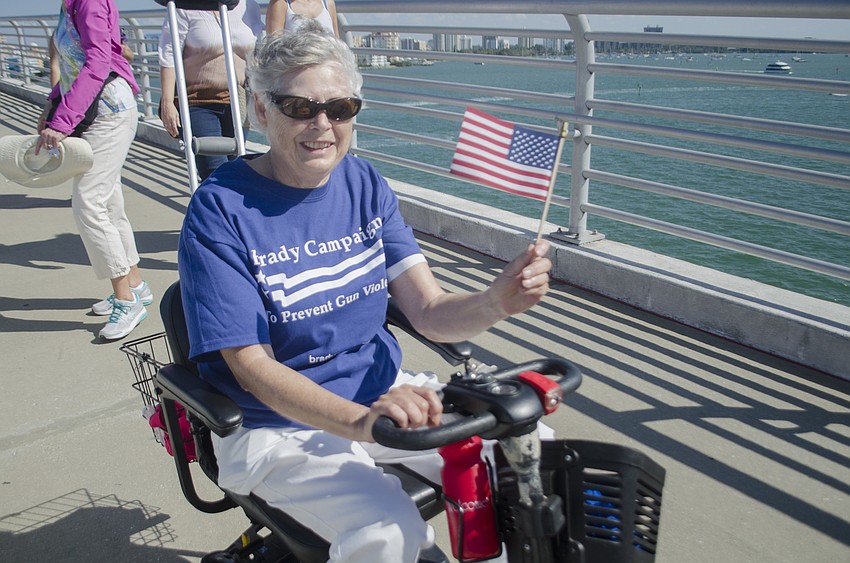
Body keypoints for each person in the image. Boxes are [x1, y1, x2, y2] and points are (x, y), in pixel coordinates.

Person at [178, 22, 553, 562]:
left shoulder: (365, 183)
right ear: (261, 111)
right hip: (276, 427)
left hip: (384, 395)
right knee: (388, 531)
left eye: (339, 108)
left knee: (532, 455)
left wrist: (496, 300)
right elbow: (251, 366)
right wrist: (364, 424)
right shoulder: (220, 210)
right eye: (298, 107)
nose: (322, 125)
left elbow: (427, 310)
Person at [37, 0, 151, 341]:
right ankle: (135, 284)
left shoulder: (88, 1)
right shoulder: (69, 3)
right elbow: (74, 65)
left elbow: (99, 61)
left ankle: (125, 301)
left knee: (89, 202)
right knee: (108, 201)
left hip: (109, 109)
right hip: (97, 107)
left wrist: (62, 122)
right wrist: (52, 103)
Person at [157, 0, 264, 181]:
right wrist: (167, 102)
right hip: (198, 100)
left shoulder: (248, 6)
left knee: (236, 164)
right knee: (214, 169)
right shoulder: (185, 7)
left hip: (237, 100)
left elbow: (258, 51)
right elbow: (169, 53)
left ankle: (226, 207)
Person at [265, 0, 338, 35]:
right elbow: (273, 46)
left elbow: (337, 42)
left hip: (327, 62)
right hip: (294, 63)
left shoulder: (328, 3)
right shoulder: (280, 3)